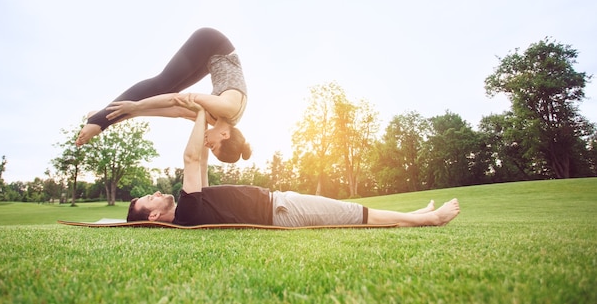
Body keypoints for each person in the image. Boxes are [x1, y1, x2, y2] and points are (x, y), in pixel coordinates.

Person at [126, 98, 461, 228]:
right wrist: (199, 109)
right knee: (353, 214)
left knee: (347, 210)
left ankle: (413, 215)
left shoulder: (193, 206)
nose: (154, 194)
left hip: (280, 204)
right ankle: (428, 220)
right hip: (281, 211)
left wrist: (203, 124)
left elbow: (199, 162)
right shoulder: (187, 212)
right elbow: (190, 157)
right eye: (149, 199)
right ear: (154, 216)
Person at [76, 27, 251, 163]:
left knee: (163, 93)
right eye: (213, 146)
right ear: (224, 135)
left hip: (209, 60)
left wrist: (129, 114)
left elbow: (177, 111)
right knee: (162, 84)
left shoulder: (216, 120)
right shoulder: (228, 108)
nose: (207, 145)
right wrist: (130, 109)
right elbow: (177, 99)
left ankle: (102, 117)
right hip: (212, 43)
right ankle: (97, 121)